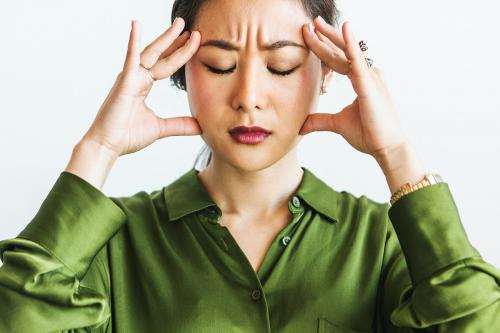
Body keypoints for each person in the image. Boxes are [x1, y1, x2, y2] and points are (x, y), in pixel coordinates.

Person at [1, 0, 499, 332]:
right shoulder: (114, 247)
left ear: (327, 72)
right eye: (219, 65)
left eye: (281, 66)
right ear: (182, 71)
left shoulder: (382, 242)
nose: (248, 99)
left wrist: (397, 153)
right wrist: (98, 148)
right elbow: (19, 314)